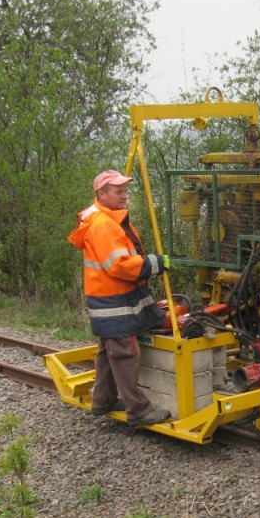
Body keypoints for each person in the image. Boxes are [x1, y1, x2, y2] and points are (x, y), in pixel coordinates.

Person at [68, 169, 172, 426]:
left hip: (109, 297)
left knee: (108, 350)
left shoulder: (107, 218)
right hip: (112, 299)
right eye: (118, 192)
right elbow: (120, 265)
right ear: (101, 194)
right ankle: (138, 410)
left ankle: (102, 400)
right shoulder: (103, 225)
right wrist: (155, 263)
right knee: (126, 353)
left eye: (125, 191)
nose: (125, 196)